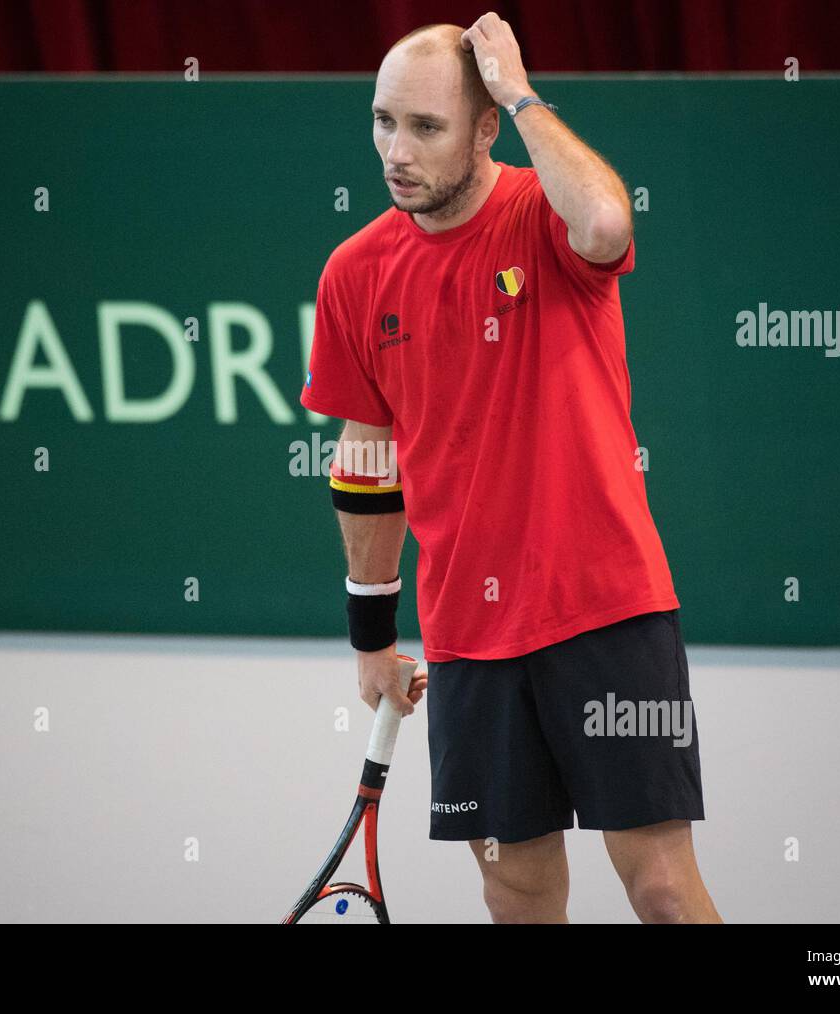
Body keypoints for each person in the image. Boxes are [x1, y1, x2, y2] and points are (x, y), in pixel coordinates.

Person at [300, 13, 721, 923]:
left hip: (607, 608)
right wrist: (371, 636)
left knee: (658, 885)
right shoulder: (354, 272)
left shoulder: (547, 218)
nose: (396, 152)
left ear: (486, 126)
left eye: (425, 127)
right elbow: (368, 459)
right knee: (517, 891)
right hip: (469, 639)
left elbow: (608, 217)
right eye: (382, 122)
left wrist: (521, 91)